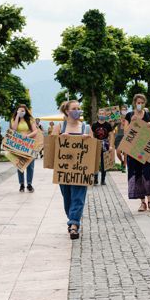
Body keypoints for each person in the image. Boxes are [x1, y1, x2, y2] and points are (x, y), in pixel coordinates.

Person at [52, 100, 93, 240]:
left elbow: (93, 148)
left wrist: (88, 140)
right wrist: (59, 138)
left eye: (79, 108)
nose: (77, 110)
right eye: (74, 108)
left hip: (81, 170)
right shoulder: (59, 127)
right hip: (64, 170)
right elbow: (50, 146)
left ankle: (74, 224)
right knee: (68, 197)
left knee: (78, 197)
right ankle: (72, 219)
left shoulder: (86, 128)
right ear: (67, 111)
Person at [124, 94, 150, 212]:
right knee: (138, 175)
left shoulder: (149, 115)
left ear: (144, 103)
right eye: (138, 102)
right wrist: (132, 122)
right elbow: (126, 133)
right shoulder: (129, 115)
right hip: (134, 151)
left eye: (142, 102)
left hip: (147, 151)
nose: (140, 104)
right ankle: (142, 203)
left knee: (148, 174)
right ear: (134, 103)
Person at [11, 104, 38, 193]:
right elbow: (14, 129)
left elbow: (35, 131)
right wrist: (17, 116)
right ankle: (21, 184)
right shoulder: (14, 119)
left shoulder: (30, 120)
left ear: (26, 111)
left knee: (30, 166)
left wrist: (27, 136)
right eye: (19, 110)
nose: (21, 112)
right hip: (19, 145)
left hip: (29, 144)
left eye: (23, 111)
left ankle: (29, 184)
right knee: (20, 165)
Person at [92, 112, 113, 185]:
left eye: (103, 114)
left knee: (104, 163)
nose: (102, 115)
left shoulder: (108, 125)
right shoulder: (94, 125)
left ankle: (103, 180)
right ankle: (95, 179)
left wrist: (111, 146)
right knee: (95, 163)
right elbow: (92, 135)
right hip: (96, 145)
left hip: (105, 145)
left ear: (106, 115)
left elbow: (111, 136)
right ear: (98, 115)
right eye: (100, 113)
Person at [115, 105, 128, 173]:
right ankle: (122, 161)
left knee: (125, 153)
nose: (124, 111)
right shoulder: (118, 118)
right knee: (118, 152)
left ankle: (124, 167)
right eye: (122, 109)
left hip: (126, 136)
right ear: (120, 111)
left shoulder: (129, 118)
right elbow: (113, 124)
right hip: (118, 136)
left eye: (125, 110)